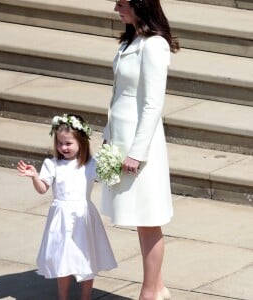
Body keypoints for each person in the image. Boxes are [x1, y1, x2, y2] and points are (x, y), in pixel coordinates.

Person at [102, 1, 180, 300]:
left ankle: (149, 292)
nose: (115, 9)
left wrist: (137, 152)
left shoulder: (154, 46)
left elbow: (152, 104)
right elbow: (118, 95)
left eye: (121, 4)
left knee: (149, 220)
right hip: (121, 140)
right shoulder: (130, 40)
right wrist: (110, 138)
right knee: (140, 219)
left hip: (140, 145)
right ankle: (158, 288)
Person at [17, 114, 117, 300]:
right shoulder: (52, 164)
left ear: (81, 142)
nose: (63, 147)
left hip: (83, 216)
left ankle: (85, 297)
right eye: (60, 143)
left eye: (68, 143)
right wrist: (34, 177)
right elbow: (42, 189)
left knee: (87, 256)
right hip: (61, 217)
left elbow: (108, 178)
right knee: (62, 258)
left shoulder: (90, 164)